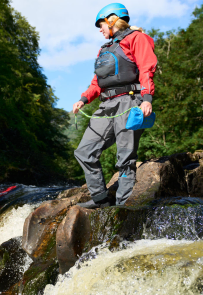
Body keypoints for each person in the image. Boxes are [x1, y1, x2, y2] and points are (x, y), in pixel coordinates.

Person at [73, 3, 157, 209]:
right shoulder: (104, 50)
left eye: (101, 25)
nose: (100, 30)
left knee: (125, 158)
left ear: (112, 20)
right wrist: (83, 99)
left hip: (129, 102)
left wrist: (147, 98)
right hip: (105, 106)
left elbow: (146, 68)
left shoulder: (137, 38)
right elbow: (96, 83)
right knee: (84, 151)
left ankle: (122, 209)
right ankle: (100, 199)